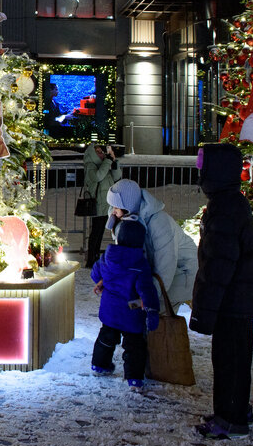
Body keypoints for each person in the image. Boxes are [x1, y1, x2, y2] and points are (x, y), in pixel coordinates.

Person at [190, 142, 253, 440]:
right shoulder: (229, 203)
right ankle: (233, 409)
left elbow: (218, 267)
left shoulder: (225, 210)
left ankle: (231, 418)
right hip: (235, 299)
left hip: (232, 301)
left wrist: (204, 311)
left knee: (230, 360)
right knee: (231, 358)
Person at [106, 178, 197, 312]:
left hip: (181, 272)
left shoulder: (160, 223)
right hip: (154, 273)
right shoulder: (123, 219)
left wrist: (149, 298)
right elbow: (125, 255)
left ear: (127, 206)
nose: (112, 211)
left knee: (157, 314)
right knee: (135, 308)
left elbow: (166, 265)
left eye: (116, 206)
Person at [89, 219, 160, 388]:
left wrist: (101, 281)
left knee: (106, 337)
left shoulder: (107, 256)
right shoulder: (140, 263)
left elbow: (94, 273)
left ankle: (99, 365)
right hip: (131, 309)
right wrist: (152, 311)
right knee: (134, 345)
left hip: (110, 308)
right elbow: (146, 289)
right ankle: (134, 377)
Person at [82, 143, 121, 268]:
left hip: (107, 203)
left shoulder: (104, 165)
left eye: (101, 151)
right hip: (98, 203)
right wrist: (107, 162)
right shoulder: (91, 166)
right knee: (96, 232)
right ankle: (91, 259)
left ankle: (95, 257)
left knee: (100, 231)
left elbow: (117, 176)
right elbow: (98, 177)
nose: (102, 153)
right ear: (92, 154)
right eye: (98, 151)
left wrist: (114, 162)